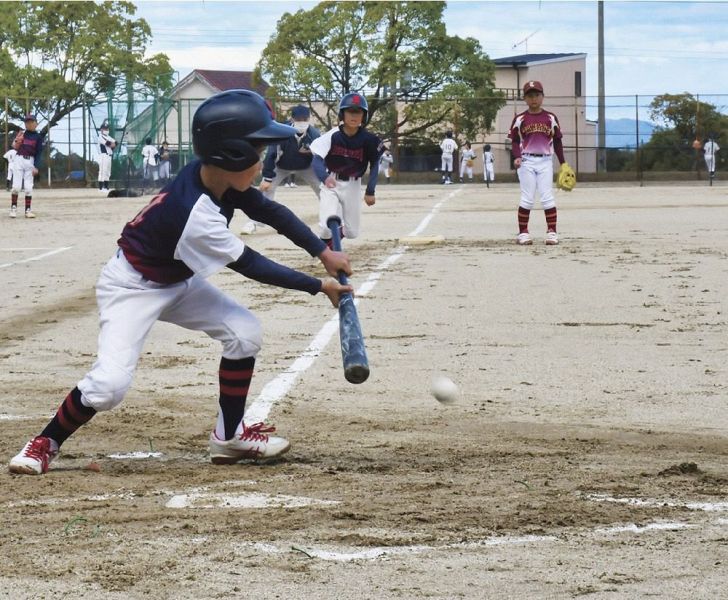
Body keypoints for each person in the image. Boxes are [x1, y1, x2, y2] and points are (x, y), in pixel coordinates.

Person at [7, 89, 353, 476]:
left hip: (176, 279)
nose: (261, 162)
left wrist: (321, 252)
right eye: (256, 151)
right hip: (132, 287)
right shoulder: (195, 214)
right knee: (109, 386)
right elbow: (251, 264)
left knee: (244, 333)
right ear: (232, 153)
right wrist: (318, 286)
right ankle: (45, 442)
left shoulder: (212, 176)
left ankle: (229, 437)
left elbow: (268, 209)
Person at [310, 92, 383, 246]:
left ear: (364, 116)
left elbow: (375, 163)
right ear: (342, 114)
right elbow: (316, 159)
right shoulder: (332, 135)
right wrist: (324, 177)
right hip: (332, 182)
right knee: (325, 227)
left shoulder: (369, 140)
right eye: (350, 111)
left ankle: (329, 246)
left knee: (352, 232)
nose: (354, 115)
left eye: (358, 112)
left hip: (353, 185)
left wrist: (370, 191)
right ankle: (326, 252)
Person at [240, 104, 321, 235]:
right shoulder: (283, 134)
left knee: (322, 188)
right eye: (299, 119)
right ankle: (254, 223)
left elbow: (321, 157)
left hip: (306, 167)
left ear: (309, 119)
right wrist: (267, 178)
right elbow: (271, 155)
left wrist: (324, 175)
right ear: (292, 119)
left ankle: (332, 216)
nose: (302, 122)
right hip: (282, 166)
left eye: (305, 119)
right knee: (267, 189)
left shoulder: (315, 135)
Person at [509, 81, 566, 246]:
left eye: (537, 95)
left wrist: (563, 163)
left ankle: (552, 232)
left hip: (545, 161)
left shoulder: (550, 118)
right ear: (525, 98)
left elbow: (557, 142)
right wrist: (517, 156)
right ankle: (523, 233)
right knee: (527, 198)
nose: (533, 99)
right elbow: (514, 141)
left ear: (542, 97)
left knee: (547, 197)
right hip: (526, 161)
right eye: (530, 95)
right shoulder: (520, 119)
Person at [9, 114, 44, 219]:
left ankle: (28, 210)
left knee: (29, 187)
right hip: (19, 160)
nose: (29, 124)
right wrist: (16, 141)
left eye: (31, 122)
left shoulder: (38, 137)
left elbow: (38, 153)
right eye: (27, 122)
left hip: (30, 161)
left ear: (36, 124)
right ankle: (13, 209)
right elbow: (14, 147)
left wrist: (36, 166)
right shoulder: (22, 134)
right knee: (16, 187)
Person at [97, 121, 116, 193]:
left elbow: (115, 143)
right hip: (103, 155)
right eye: (105, 129)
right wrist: (112, 144)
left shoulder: (108, 137)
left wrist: (112, 144)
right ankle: (101, 188)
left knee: (108, 172)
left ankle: (106, 187)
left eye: (107, 129)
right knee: (102, 171)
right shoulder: (100, 137)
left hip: (109, 156)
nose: (107, 130)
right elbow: (108, 144)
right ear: (101, 130)